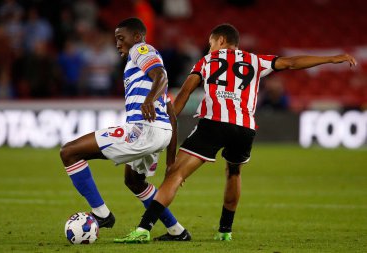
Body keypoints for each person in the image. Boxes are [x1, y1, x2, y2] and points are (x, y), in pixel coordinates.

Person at [114, 23, 357, 243]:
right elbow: (291, 63)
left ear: (220, 41)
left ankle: (144, 228)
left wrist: (169, 121)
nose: (209, 48)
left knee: (176, 174)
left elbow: (186, 92)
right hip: (244, 127)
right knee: (233, 172)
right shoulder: (256, 60)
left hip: (214, 123)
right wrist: (332, 59)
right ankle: (224, 231)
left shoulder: (206, 62)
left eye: (210, 44)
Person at [60, 17, 191, 241]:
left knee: (69, 152)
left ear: (137, 37)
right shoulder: (144, 72)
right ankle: (177, 231)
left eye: (121, 38)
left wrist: (149, 99)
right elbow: (170, 114)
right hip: (160, 133)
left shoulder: (141, 50)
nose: (118, 44)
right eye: (116, 40)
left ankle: (102, 215)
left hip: (143, 131)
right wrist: (170, 158)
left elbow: (161, 75)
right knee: (134, 181)